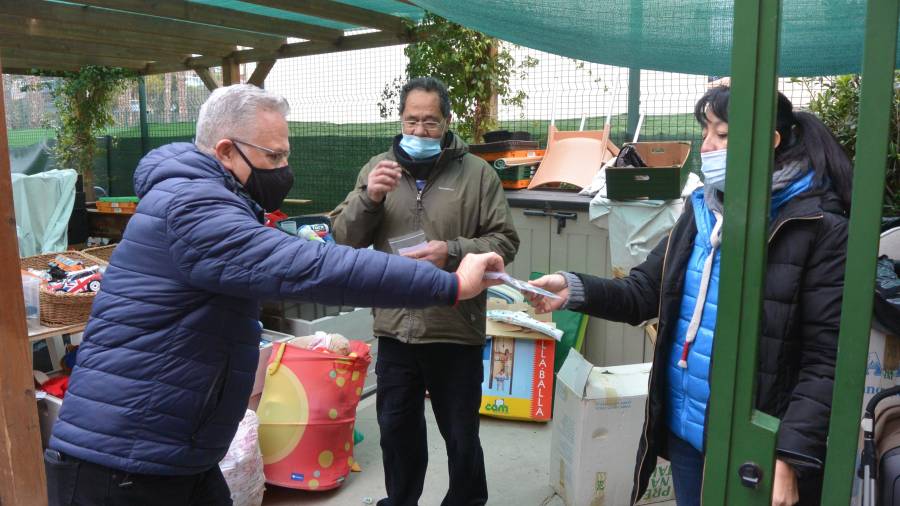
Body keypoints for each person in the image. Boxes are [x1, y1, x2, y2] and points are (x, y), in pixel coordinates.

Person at [45, 84, 504, 506]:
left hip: (171, 449)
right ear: (227, 151)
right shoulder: (192, 207)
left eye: (286, 155)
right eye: (274, 157)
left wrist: (456, 256)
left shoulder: (209, 199)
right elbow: (316, 262)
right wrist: (449, 284)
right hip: (123, 462)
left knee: (460, 431)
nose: (284, 169)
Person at [528, 86, 852, 506]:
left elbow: (825, 359)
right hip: (687, 432)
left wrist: (788, 458)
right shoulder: (701, 212)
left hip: (755, 447)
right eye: (706, 131)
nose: (707, 146)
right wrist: (572, 288)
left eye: (722, 134)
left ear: (769, 142)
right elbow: (644, 291)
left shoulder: (818, 227)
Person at [330, 76, 519, 506]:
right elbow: (343, 240)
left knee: (461, 436)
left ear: (447, 121)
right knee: (397, 433)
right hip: (396, 328)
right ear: (400, 119)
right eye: (411, 121)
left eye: (430, 122)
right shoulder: (377, 170)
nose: (419, 131)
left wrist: (450, 251)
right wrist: (368, 198)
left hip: (455, 325)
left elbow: (505, 242)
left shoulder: (477, 174)